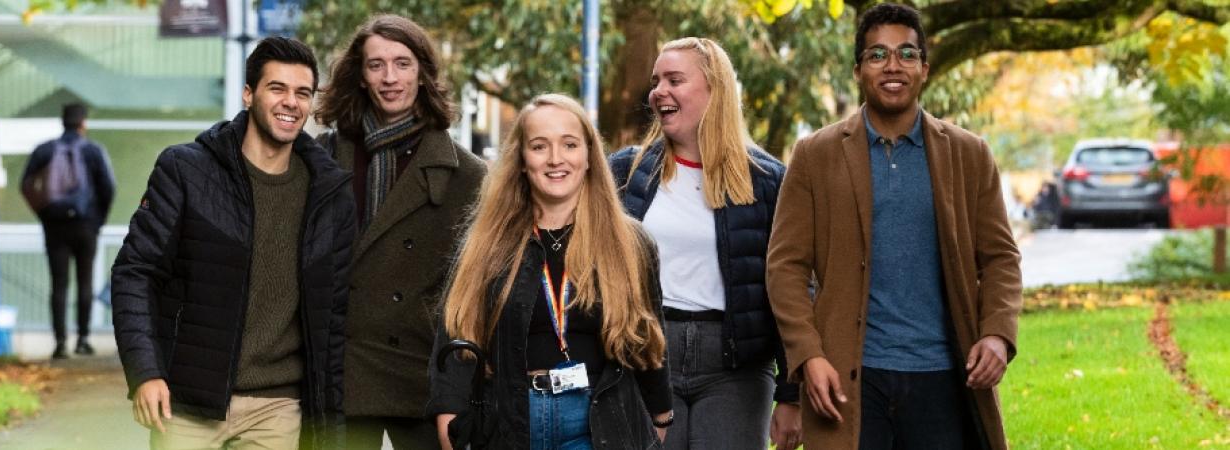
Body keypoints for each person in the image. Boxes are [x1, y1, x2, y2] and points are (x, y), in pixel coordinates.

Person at [765, 4, 1023, 449]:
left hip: (944, 376)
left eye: (906, 54)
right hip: (850, 379)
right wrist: (808, 356)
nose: (893, 66)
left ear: (924, 68)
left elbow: (1001, 258)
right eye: (877, 55)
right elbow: (785, 267)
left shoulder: (970, 155)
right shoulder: (814, 155)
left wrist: (998, 334)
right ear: (858, 69)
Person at [111, 36, 355, 449]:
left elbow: (334, 318)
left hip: (278, 406)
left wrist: (329, 421)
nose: (290, 103)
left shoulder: (329, 195)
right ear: (248, 94)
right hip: (188, 401)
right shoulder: (186, 171)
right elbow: (135, 273)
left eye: (302, 93)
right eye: (277, 88)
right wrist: (146, 373)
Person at [428, 94, 673, 450]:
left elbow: (648, 340)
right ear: (522, 161)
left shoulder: (628, 243)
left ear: (589, 155)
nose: (556, 159)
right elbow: (457, 333)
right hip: (510, 424)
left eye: (569, 144)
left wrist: (659, 418)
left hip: (597, 424)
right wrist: (449, 420)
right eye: (540, 146)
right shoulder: (487, 243)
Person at [609, 37, 801, 450]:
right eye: (656, 80)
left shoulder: (768, 181)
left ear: (715, 90)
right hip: (647, 355)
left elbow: (793, 289)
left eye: (675, 79)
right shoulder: (625, 171)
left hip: (737, 367)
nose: (659, 91)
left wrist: (791, 393)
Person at [313, 14, 487, 450]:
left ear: (423, 74)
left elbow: (474, 294)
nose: (390, 78)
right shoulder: (324, 157)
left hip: (422, 372)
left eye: (403, 63)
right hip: (344, 370)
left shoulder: (468, 175)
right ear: (361, 77)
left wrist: (458, 387)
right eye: (376, 65)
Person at [20, 102, 116, 360]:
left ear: (63, 122)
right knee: (85, 282)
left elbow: (26, 184)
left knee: (59, 283)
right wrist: (98, 221)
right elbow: (108, 187)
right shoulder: (94, 151)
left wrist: (44, 214)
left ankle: (60, 342)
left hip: (55, 226)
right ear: (83, 123)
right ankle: (83, 339)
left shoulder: (45, 150)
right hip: (86, 226)